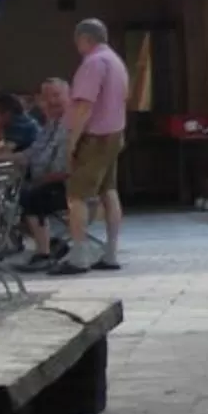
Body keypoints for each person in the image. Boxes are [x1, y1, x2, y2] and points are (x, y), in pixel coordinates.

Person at [61, 17, 129, 272]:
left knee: (76, 195)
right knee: (108, 191)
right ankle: (110, 253)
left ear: (83, 39)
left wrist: (72, 141)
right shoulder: (116, 61)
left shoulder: (93, 63)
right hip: (115, 133)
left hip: (95, 136)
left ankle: (79, 256)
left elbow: (84, 105)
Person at [1, 78, 76, 269]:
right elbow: (32, 153)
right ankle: (49, 243)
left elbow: (67, 169)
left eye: (56, 95)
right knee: (13, 193)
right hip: (47, 181)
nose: (51, 101)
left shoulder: (72, 125)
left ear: (69, 96)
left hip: (68, 185)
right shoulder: (51, 124)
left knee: (29, 196)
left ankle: (44, 253)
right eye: (46, 97)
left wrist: (39, 180)